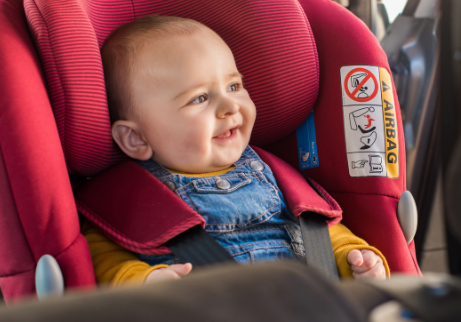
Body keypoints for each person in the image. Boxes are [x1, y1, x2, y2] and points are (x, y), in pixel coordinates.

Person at [84, 15, 388, 286]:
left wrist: (354, 258)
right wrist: (145, 281)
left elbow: (320, 232)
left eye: (233, 86)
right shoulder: (130, 198)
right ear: (136, 138)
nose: (230, 107)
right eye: (199, 98)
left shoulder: (276, 174)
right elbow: (103, 255)